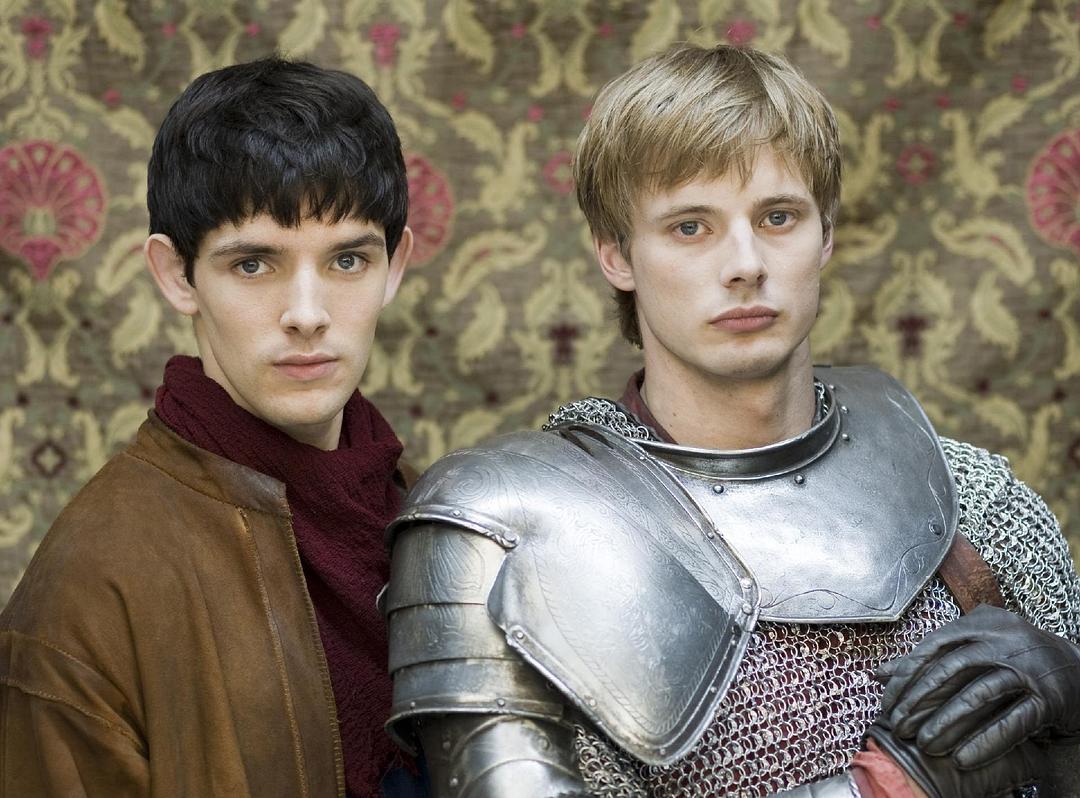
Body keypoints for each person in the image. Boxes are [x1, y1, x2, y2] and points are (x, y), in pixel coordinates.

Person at [381, 44, 1080, 797]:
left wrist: (1074, 724)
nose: (745, 263)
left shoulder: (976, 502)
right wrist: (890, 787)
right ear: (617, 255)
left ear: (826, 235)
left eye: (778, 217)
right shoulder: (503, 535)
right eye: (691, 227)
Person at [0, 58, 419, 797]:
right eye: (253, 264)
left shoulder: (439, 519)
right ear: (177, 275)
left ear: (394, 267)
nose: (308, 313)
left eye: (348, 259)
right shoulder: (88, 593)